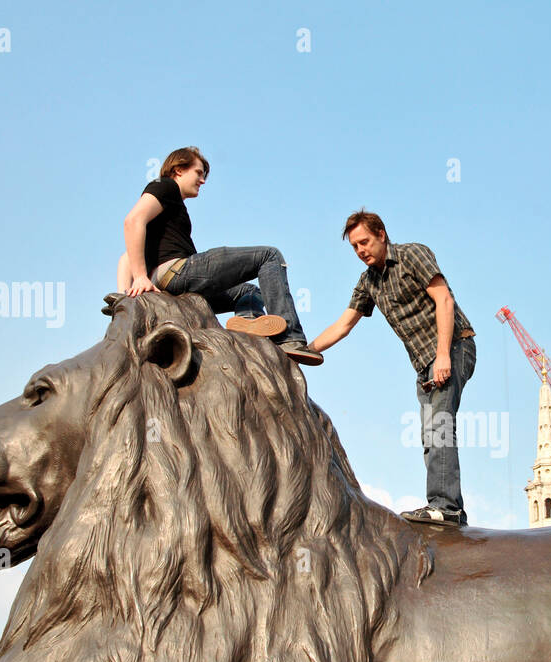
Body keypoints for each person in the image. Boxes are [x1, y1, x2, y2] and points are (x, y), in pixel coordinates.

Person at [310, 210, 476, 526]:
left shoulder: (413, 254)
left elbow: (444, 300)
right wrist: (303, 351)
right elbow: (344, 324)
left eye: (365, 242)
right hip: (424, 363)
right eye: (355, 247)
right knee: (430, 432)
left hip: (454, 346)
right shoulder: (369, 282)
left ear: (381, 235)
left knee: (440, 423)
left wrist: (443, 355)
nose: (361, 251)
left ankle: (447, 506)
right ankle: (445, 506)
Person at [122, 146, 322, 365]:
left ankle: (248, 323)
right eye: (198, 173)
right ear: (178, 170)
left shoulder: (171, 206)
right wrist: (140, 277)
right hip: (179, 271)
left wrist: (125, 294)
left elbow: (127, 255)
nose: (203, 180)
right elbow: (132, 221)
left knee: (249, 292)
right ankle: (290, 339)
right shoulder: (164, 186)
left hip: (175, 284)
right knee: (269, 255)